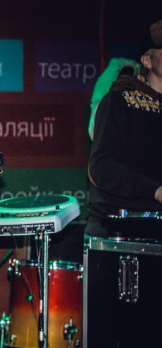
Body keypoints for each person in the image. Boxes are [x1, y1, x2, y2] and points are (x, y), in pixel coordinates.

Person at [85, 18, 162, 238]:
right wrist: (155, 191)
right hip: (123, 227)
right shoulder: (120, 100)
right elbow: (102, 166)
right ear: (147, 60)